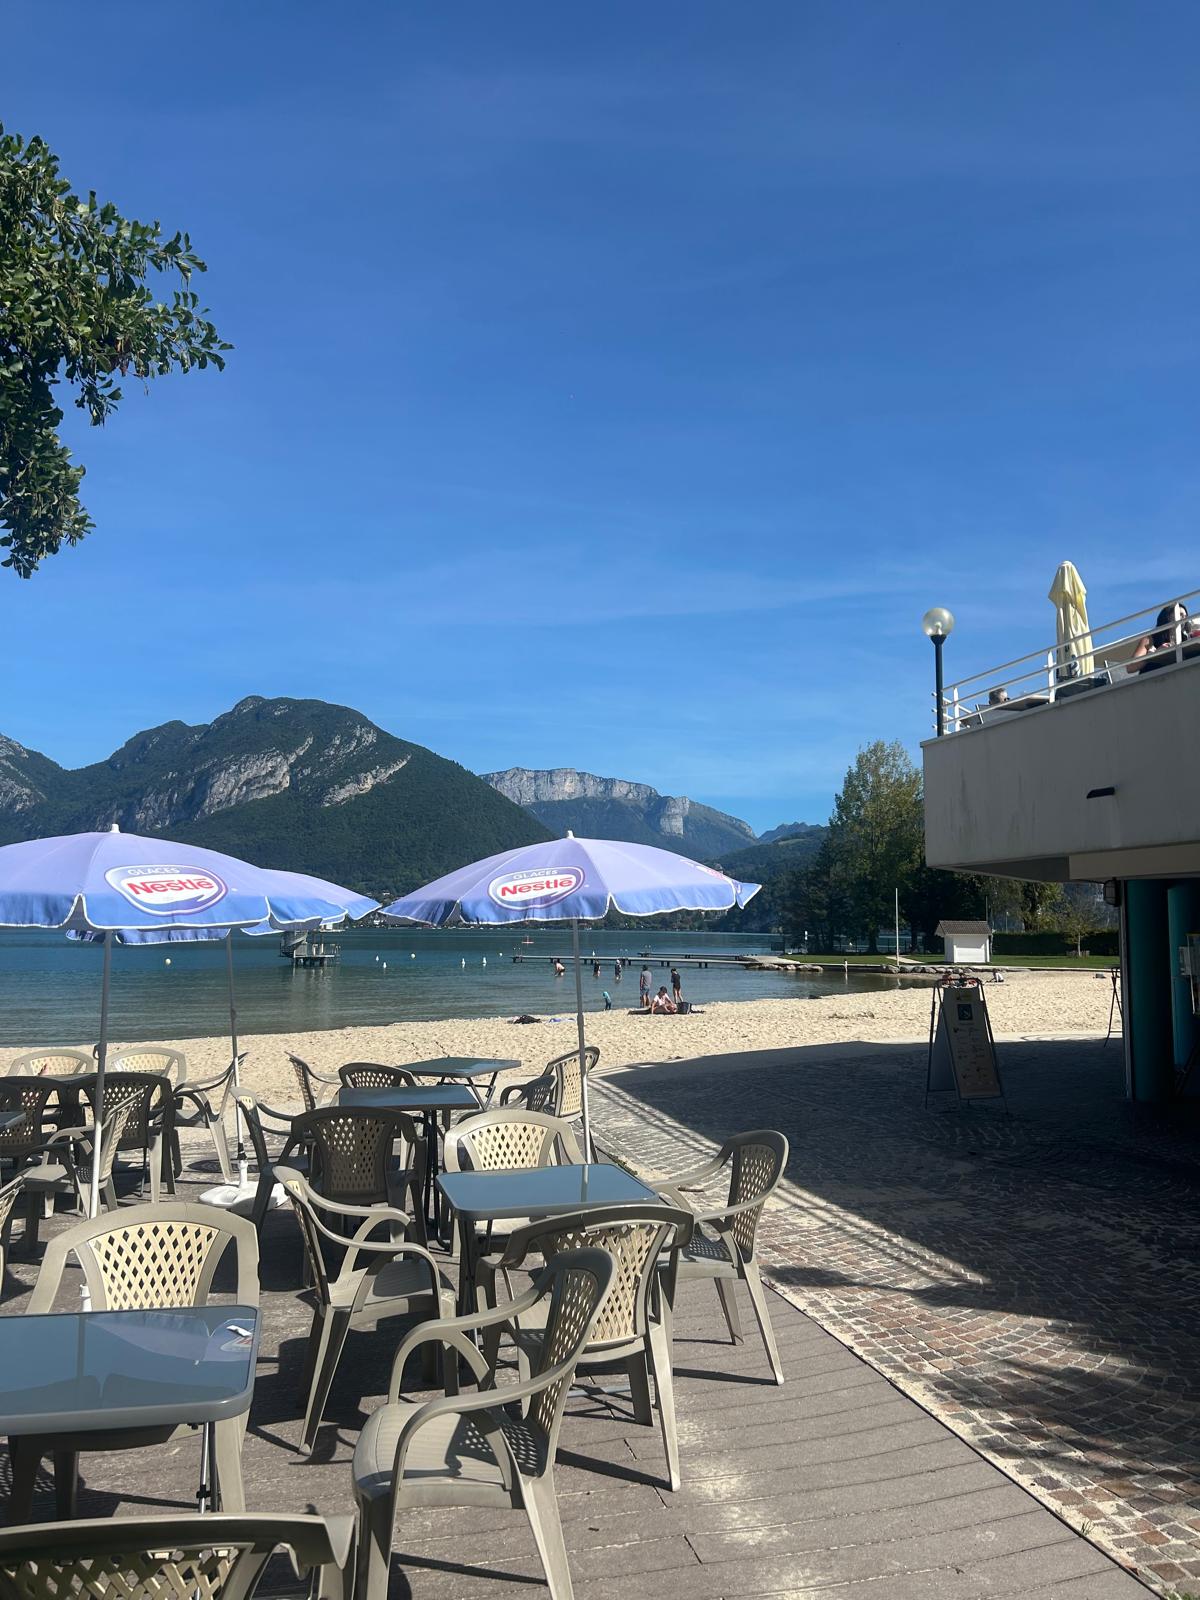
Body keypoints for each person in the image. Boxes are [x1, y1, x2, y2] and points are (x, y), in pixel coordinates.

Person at [1130, 602, 1192, 673]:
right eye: (1180, 614)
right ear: (1167, 616)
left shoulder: (1185, 639)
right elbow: (1131, 667)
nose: (1183, 618)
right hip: (1153, 677)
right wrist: (1154, 655)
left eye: (1185, 616)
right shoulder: (1151, 639)